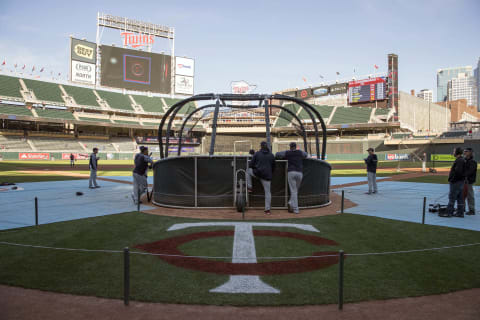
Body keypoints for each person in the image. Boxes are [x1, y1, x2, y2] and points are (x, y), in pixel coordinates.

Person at [276, 142, 308, 214]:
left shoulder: (287, 152)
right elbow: (306, 155)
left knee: (294, 191)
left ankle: (295, 209)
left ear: (290, 147)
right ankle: (291, 203)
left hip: (291, 172)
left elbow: (277, 154)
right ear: (296, 146)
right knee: (295, 191)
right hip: (299, 173)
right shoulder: (300, 152)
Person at [247, 141, 276, 215]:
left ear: (261, 146)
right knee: (268, 193)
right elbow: (274, 167)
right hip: (267, 176)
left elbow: (250, 165)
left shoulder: (257, 153)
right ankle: (267, 210)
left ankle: (249, 187)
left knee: (248, 170)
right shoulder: (271, 155)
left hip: (257, 173)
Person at [447, 147, 466, 217]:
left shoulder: (459, 160)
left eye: (454, 151)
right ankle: (460, 213)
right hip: (460, 182)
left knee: (452, 197)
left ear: (457, 152)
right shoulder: (461, 160)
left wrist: (452, 179)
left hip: (456, 182)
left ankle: (449, 212)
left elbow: (458, 172)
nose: (453, 152)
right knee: (460, 198)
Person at [464, 147, 477, 215]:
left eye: (466, 151)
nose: (465, 152)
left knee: (470, 195)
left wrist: (463, 175)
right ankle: (462, 208)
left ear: (470, 153)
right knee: (462, 195)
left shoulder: (473, 162)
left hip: (469, 181)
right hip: (463, 181)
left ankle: (472, 210)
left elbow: (470, 172)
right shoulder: (464, 160)